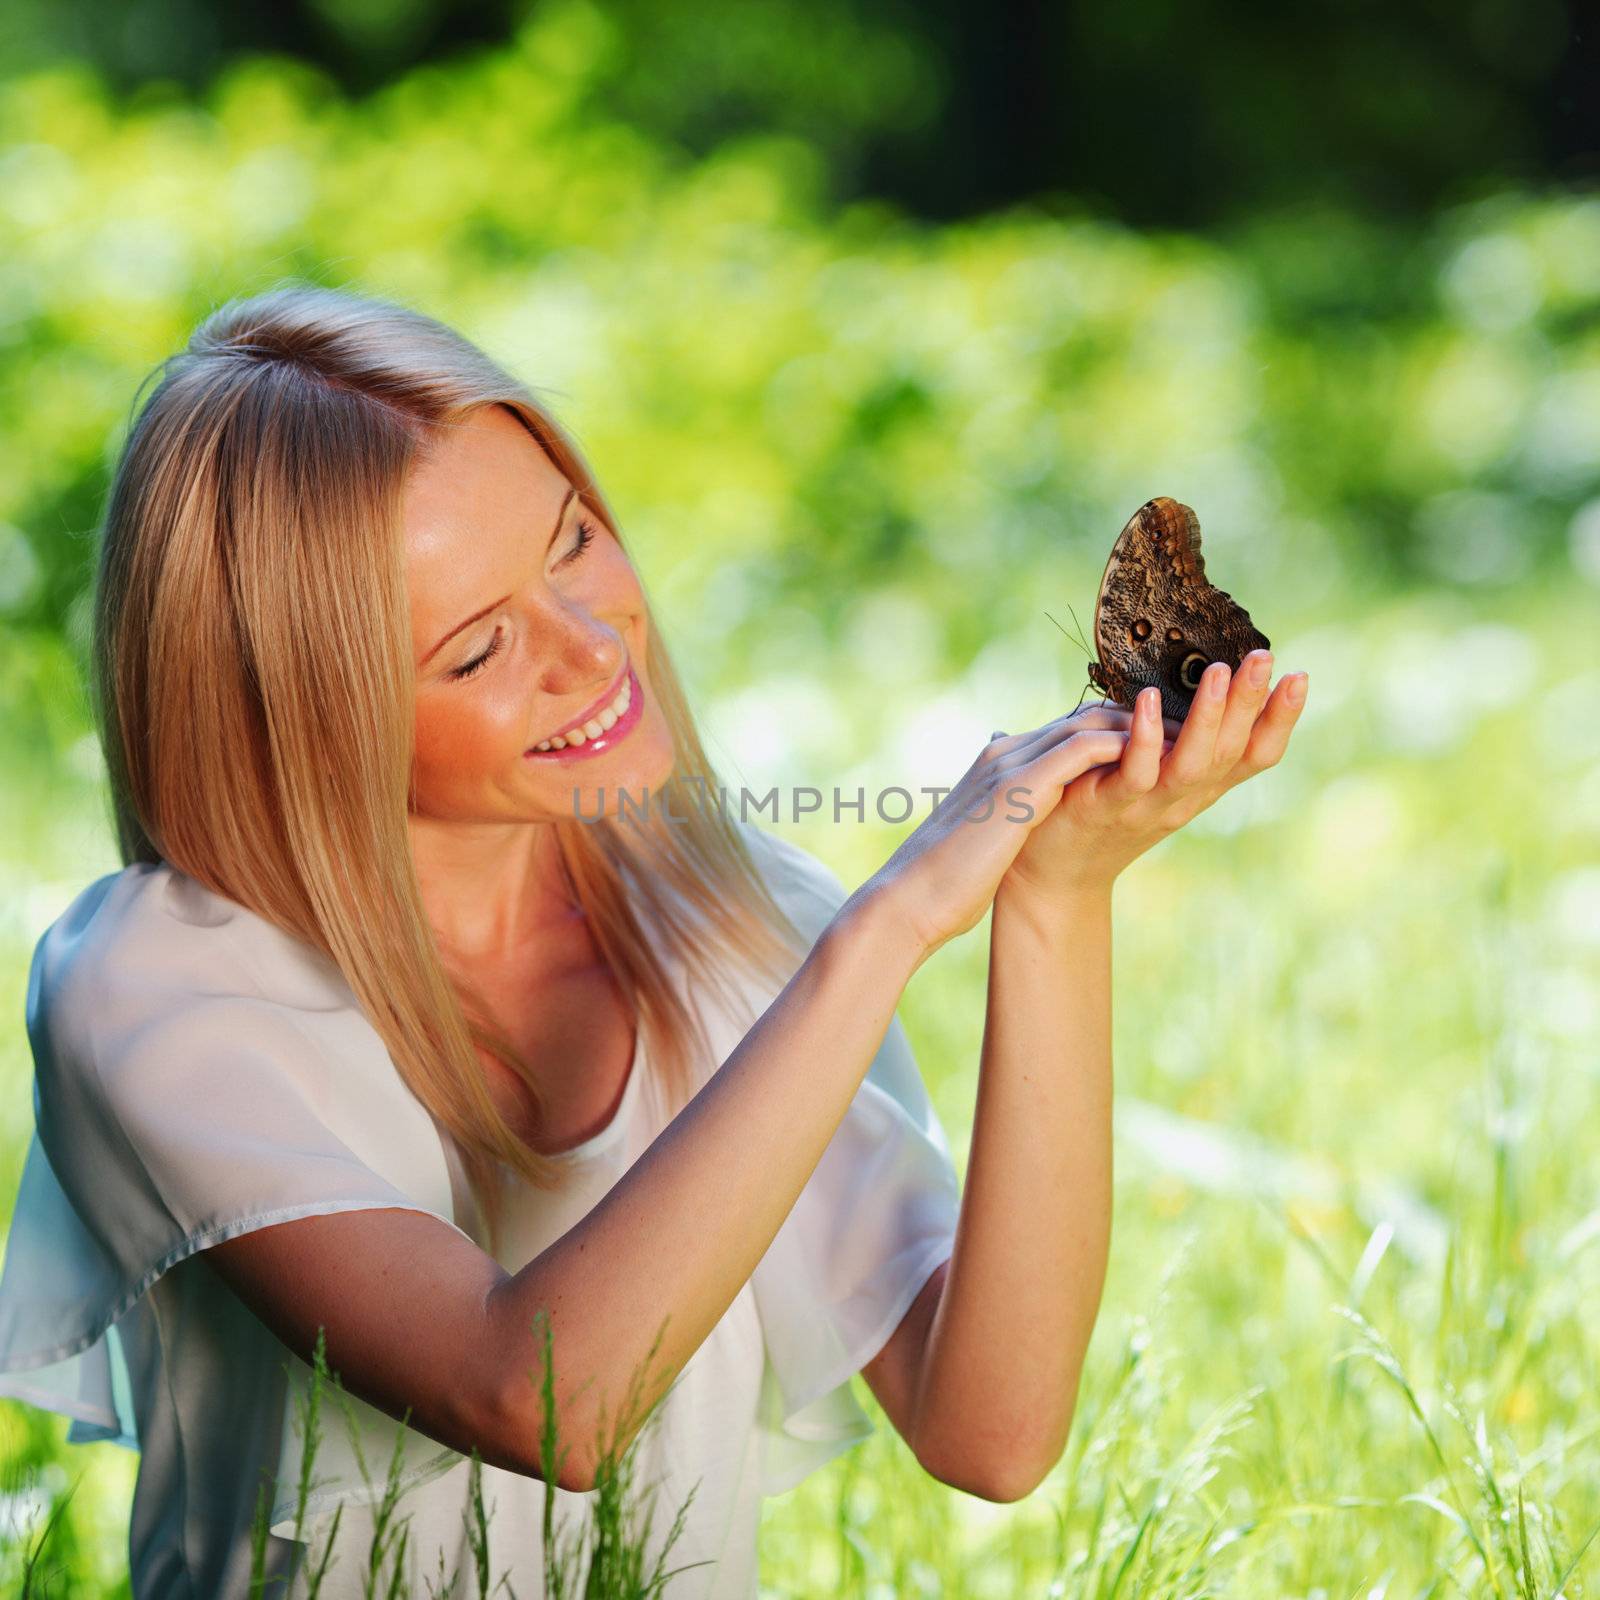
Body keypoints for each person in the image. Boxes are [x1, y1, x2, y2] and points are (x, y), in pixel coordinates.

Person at [0, 281, 1307, 1598]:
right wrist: (892, 924)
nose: (591, 643)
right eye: (475, 650)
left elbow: (994, 1433)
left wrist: (1056, 901)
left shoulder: (735, 922)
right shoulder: (154, 986)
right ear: (298, 719)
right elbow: (541, 1407)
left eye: (571, 543)